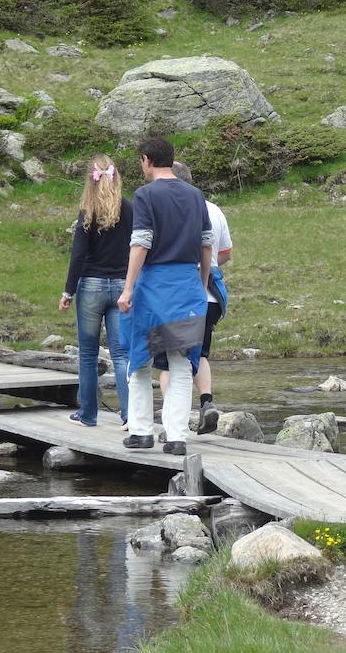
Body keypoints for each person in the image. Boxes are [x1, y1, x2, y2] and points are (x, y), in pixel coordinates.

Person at [118, 135, 212, 456]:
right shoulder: (195, 195)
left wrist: (128, 287)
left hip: (154, 287)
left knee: (140, 360)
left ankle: (141, 431)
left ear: (147, 159)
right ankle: (177, 438)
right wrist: (201, 282)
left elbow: (141, 241)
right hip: (187, 286)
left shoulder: (145, 195)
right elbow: (206, 242)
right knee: (182, 362)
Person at [155, 161, 231, 435]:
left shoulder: (171, 206)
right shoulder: (214, 209)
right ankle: (206, 400)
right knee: (200, 353)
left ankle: (173, 417)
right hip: (209, 297)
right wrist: (208, 265)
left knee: (167, 359)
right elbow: (226, 252)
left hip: (178, 293)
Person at [59, 154, 132, 427]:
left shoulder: (87, 211)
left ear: (91, 180)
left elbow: (78, 254)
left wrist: (68, 291)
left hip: (90, 285)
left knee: (88, 353)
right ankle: (129, 415)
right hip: (122, 286)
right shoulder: (129, 209)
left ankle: (88, 414)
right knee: (121, 354)